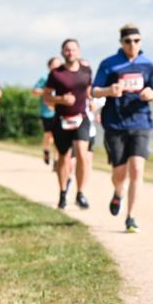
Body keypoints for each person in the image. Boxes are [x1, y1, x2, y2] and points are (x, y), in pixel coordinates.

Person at [92, 24, 153, 233]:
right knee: (119, 173)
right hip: (115, 123)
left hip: (140, 121)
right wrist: (108, 91)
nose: (132, 45)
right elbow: (94, 91)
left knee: (137, 169)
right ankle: (118, 192)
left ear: (141, 42)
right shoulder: (109, 64)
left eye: (136, 41)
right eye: (128, 41)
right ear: (121, 43)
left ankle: (131, 217)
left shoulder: (147, 64)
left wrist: (150, 94)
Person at [44, 39, 92, 210]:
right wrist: (61, 99)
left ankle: (80, 193)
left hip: (81, 118)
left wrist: (93, 103)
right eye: (67, 50)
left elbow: (88, 91)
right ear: (62, 52)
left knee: (82, 154)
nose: (70, 53)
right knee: (64, 158)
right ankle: (63, 193)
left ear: (78, 51)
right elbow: (46, 97)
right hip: (62, 120)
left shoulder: (86, 71)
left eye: (73, 49)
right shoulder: (56, 74)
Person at [33, 56, 63, 166]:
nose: (57, 67)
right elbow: (34, 91)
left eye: (59, 65)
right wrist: (47, 91)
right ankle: (46, 150)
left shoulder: (63, 78)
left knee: (58, 137)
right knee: (48, 135)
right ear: (49, 66)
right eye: (54, 65)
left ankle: (56, 160)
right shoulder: (44, 78)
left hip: (60, 112)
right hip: (47, 113)